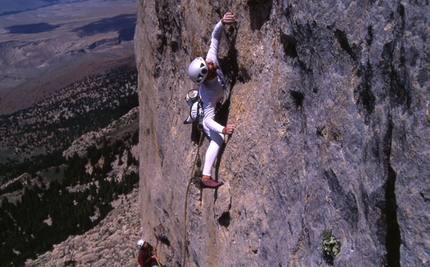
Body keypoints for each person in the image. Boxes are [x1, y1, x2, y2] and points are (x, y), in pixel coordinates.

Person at [187, 12, 236, 189]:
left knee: (219, 137)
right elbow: (208, 120)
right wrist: (222, 128)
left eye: (209, 62)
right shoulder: (207, 94)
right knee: (218, 139)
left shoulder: (211, 60)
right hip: (206, 115)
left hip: (216, 103)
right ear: (206, 77)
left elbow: (215, 38)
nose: (212, 62)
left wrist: (222, 22)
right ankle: (205, 177)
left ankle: (205, 177)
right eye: (210, 66)